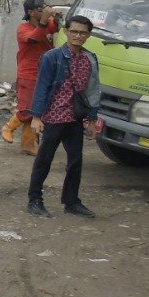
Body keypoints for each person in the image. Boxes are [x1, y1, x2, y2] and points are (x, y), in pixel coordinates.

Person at [26, 12, 102, 217]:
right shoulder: (52, 57)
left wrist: (92, 120)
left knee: (76, 162)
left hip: (75, 118)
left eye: (82, 33)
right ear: (66, 32)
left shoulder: (90, 59)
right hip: (53, 117)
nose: (77, 36)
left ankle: (71, 202)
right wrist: (36, 116)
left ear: (88, 36)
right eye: (74, 32)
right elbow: (41, 87)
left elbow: (93, 91)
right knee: (44, 160)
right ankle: (34, 200)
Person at [4, 0, 57, 154]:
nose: (45, 12)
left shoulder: (48, 24)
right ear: (31, 12)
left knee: (37, 110)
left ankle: (28, 145)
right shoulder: (23, 28)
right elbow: (34, 39)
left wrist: (57, 18)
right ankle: (8, 127)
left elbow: (58, 27)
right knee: (27, 109)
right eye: (41, 10)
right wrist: (45, 21)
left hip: (45, 73)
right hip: (29, 73)